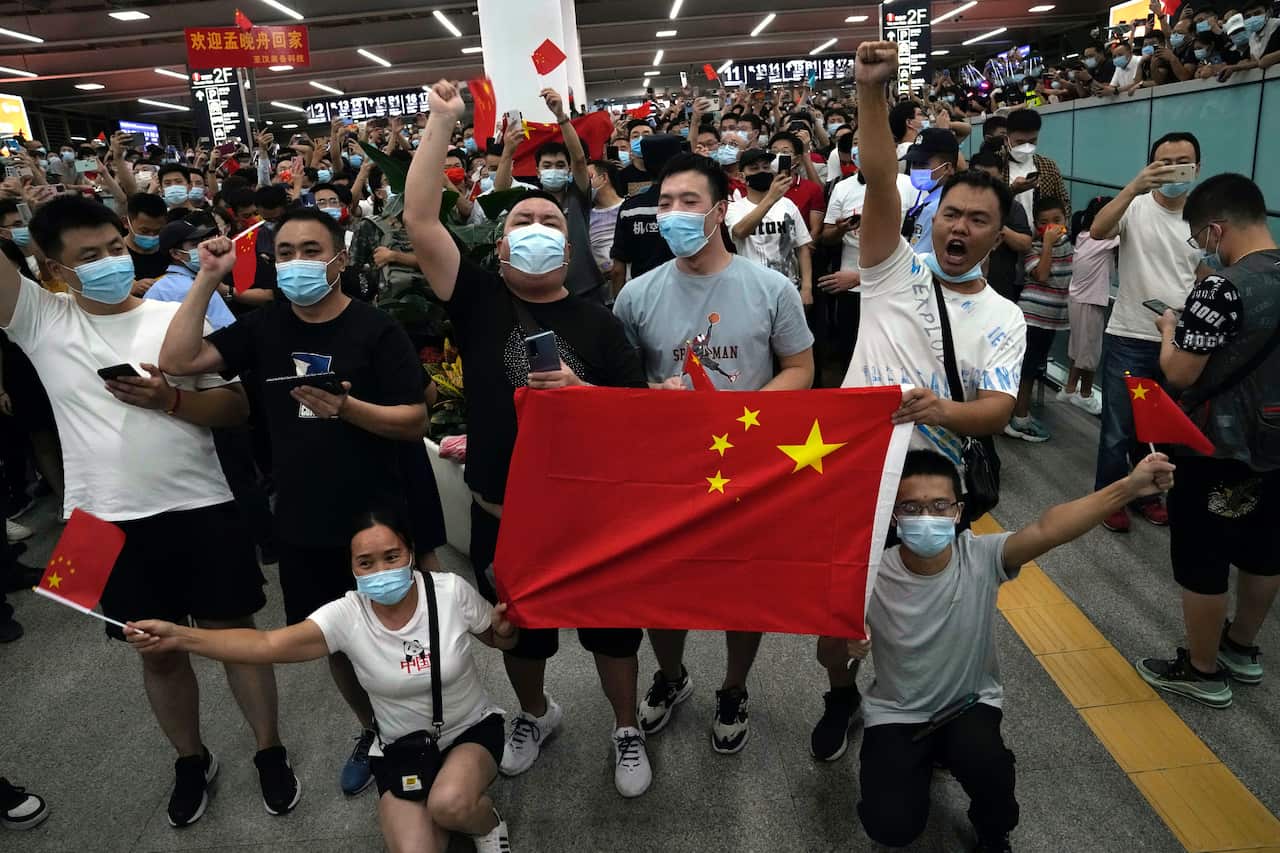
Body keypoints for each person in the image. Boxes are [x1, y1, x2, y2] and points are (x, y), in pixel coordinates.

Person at [1, 195, 297, 827]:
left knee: (234, 637)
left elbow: (238, 409)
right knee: (155, 651)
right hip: (99, 520)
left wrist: (170, 401)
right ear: (55, 269)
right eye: (89, 256)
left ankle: (269, 749)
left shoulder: (171, 315)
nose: (109, 261)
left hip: (202, 502)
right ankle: (191, 758)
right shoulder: (39, 319)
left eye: (115, 247)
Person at [403, 79, 654, 799]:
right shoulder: (479, 298)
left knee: (611, 631)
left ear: (569, 240)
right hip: (504, 514)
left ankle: (625, 724)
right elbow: (421, 219)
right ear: (503, 241)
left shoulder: (601, 323)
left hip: (591, 515)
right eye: (523, 219)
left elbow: (639, 420)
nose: (537, 224)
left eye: (550, 217)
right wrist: (442, 122)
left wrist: (585, 397)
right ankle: (535, 714)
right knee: (520, 631)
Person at [158, 209, 444, 798]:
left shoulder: (375, 330)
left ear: (339, 258)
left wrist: (349, 409)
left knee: (403, 627)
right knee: (335, 636)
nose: (296, 264)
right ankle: (374, 732)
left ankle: (428, 726)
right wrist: (208, 277)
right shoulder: (263, 328)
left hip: (377, 513)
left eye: (310, 250)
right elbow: (179, 362)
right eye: (284, 253)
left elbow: (414, 420)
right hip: (303, 514)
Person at [817, 42, 1028, 763]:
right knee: (838, 615)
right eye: (950, 214)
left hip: (936, 492)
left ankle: (921, 709)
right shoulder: (890, 271)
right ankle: (842, 692)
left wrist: (932, 411)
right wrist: (870, 93)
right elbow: (879, 177)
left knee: (920, 616)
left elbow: (999, 410)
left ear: (998, 236)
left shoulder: (1004, 315)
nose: (959, 228)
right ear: (933, 218)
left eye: (977, 220)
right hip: (851, 476)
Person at [126, 511, 513, 853]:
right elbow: (265, 644)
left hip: (469, 730)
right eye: (366, 562)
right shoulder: (346, 614)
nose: (381, 571)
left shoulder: (448, 591)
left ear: (410, 553)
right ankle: (446, 805)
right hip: (402, 748)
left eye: (391, 557)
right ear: (351, 567)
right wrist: (180, 636)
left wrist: (506, 631)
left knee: (450, 804)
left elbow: (498, 638)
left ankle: (487, 822)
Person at [856, 447, 1175, 852]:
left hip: (967, 704)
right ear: (894, 515)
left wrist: (1128, 488)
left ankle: (991, 828)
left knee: (990, 773)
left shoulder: (979, 557)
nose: (927, 518)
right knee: (891, 827)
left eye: (939, 505)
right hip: (897, 712)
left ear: (958, 511)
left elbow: (1048, 528)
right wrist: (847, 649)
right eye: (912, 507)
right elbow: (830, 656)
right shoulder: (870, 575)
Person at [614, 153, 814, 755]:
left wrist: (746, 413)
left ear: (720, 210)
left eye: (688, 202)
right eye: (665, 203)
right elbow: (620, 389)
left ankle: (734, 686)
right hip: (666, 470)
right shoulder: (635, 296)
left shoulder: (771, 288)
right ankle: (672, 677)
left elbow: (801, 369)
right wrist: (656, 396)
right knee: (662, 584)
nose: (674, 214)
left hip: (744, 465)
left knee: (741, 587)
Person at [1135, 173, 1280, 709]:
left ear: (1216, 230)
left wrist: (1170, 330)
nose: (1203, 249)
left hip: (1217, 445)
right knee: (1265, 549)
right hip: (1275, 445)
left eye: (1200, 239)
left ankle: (1200, 671)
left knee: (1204, 552)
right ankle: (1241, 647)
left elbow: (1180, 374)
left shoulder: (1220, 288)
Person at [1088, 132, 1203, 533]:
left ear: (1198, 168)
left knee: (1161, 429)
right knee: (1118, 428)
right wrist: (1134, 186)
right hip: (1130, 335)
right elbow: (1098, 232)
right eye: (1164, 162)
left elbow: (1201, 271)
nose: (1174, 169)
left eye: (1183, 161)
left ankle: (1150, 494)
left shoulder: (1204, 216)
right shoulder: (1135, 207)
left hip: (1179, 342)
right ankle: (1109, 498)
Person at [494, 88, 605, 303]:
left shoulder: (578, 195)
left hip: (584, 287)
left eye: (560, 165)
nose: (554, 169)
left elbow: (580, 159)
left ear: (569, 170)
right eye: (547, 165)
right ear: (537, 171)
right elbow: (500, 192)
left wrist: (561, 117)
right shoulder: (529, 200)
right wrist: (508, 151)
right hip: (537, 287)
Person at [1005, 197, 1073, 443]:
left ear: (1066, 219)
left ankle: (1017, 413)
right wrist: (1046, 243)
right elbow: (1042, 274)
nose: (1051, 227)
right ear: (1036, 225)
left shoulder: (1069, 245)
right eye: (1044, 223)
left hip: (1051, 319)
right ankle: (1019, 417)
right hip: (1032, 317)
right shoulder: (1032, 248)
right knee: (1026, 369)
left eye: (1057, 221)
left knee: (1033, 367)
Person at [726, 149, 813, 304]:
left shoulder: (788, 205)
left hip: (788, 288)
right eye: (754, 168)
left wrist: (807, 288)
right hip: (751, 291)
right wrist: (771, 198)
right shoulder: (735, 208)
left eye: (766, 167)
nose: (761, 171)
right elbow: (740, 232)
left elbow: (802, 247)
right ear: (741, 176)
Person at [1058, 196, 1118, 415]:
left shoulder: (1083, 236)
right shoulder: (1103, 241)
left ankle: (1069, 388)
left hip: (1077, 299)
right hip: (1090, 301)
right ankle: (1084, 395)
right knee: (1091, 351)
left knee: (1078, 348)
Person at [146, 218, 237, 330]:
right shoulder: (187, 287)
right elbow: (227, 328)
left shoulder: (165, 286)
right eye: (195, 245)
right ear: (175, 253)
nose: (202, 247)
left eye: (202, 241)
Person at [970, 149, 1033, 304]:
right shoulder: (959, 204)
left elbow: (1025, 243)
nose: (986, 185)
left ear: (1000, 177)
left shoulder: (1012, 207)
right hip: (964, 285)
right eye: (981, 178)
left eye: (992, 179)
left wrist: (996, 225)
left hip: (1000, 290)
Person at [999, 108, 1069, 227]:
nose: (1027, 147)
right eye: (1020, 142)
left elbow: (1064, 204)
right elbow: (984, 204)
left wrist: (1057, 231)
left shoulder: (1048, 166)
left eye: (1032, 141)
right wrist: (1012, 191)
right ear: (1006, 140)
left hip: (1043, 240)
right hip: (1004, 238)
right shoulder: (995, 166)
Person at [902, 129, 959, 252]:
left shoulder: (935, 208)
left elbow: (917, 259)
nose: (915, 170)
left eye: (922, 164)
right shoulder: (946, 198)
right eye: (913, 163)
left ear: (947, 168)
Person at [125, 191, 170, 288]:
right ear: (126, 223)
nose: (152, 236)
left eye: (158, 231)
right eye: (144, 231)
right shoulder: (116, 254)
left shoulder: (169, 250)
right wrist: (131, 288)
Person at [587, 160, 624, 280]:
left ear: (603, 178)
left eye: (587, 177)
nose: (582, 183)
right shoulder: (585, 218)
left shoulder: (629, 208)